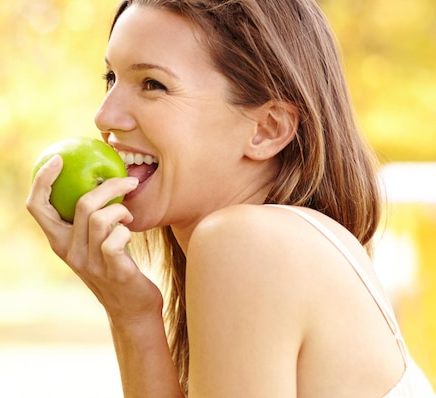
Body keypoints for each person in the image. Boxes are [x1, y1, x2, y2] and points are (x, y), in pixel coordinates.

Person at [26, 0, 436, 396]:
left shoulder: (247, 242)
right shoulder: (284, 242)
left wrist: (132, 319)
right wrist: (131, 315)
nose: (104, 116)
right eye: (111, 79)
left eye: (153, 84)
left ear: (267, 129)